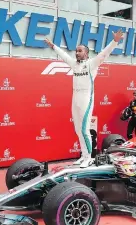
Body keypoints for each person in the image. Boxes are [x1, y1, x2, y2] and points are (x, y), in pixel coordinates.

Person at [44, 30, 124, 167]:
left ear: (86, 53)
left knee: (84, 129)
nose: (77, 53)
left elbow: (104, 53)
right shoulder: (74, 64)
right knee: (77, 129)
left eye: (80, 51)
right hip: (75, 97)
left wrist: (115, 41)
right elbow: (63, 55)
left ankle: (90, 157)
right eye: (76, 51)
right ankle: (84, 155)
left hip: (86, 98)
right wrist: (53, 46)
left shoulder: (92, 63)